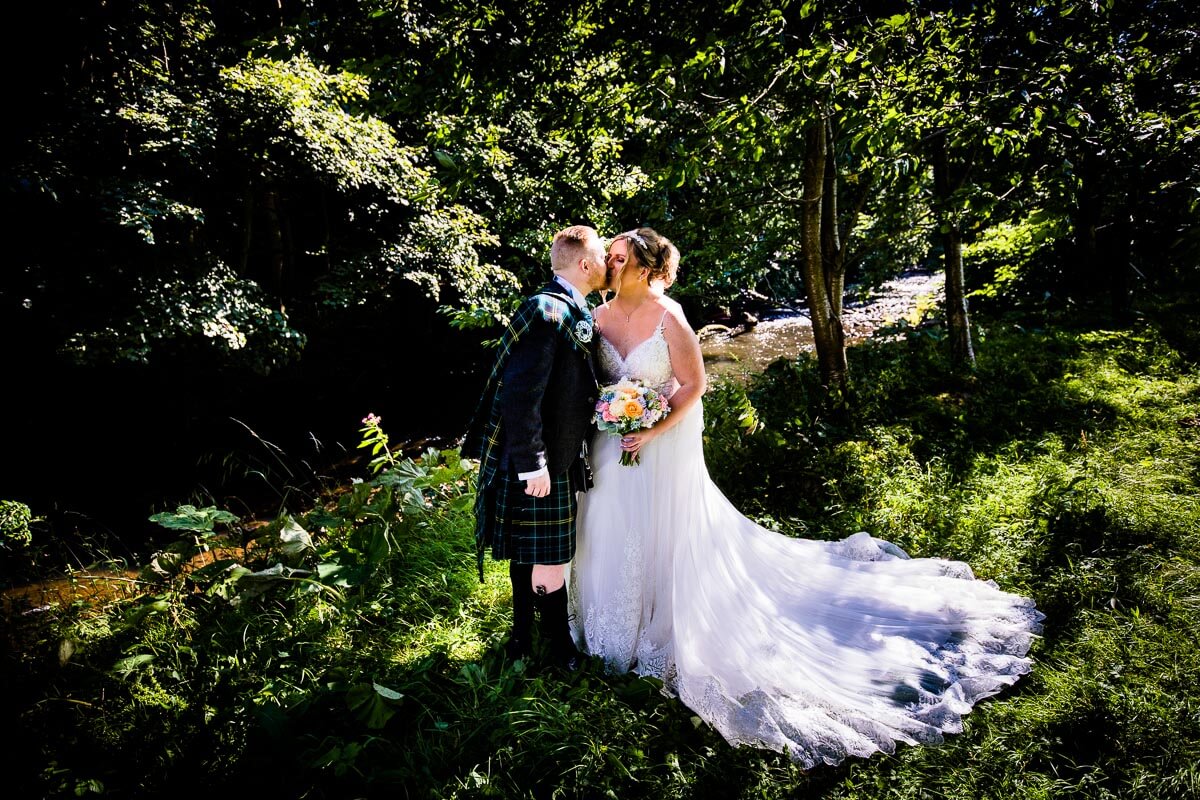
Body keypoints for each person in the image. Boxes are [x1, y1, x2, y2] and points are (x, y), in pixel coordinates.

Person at [568, 227, 1044, 767]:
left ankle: (661, 622)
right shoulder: (596, 317)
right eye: (609, 256)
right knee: (609, 526)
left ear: (645, 268)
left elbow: (694, 385)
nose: (610, 263)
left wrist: (652, 427)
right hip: (610, 446)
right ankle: (613, 630)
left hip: (660, 447)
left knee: (661, 530)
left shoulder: (669, 318)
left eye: (619, 257)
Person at [463, 224, 610, 670]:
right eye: (602, 255)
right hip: (541, 459)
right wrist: (533, 464)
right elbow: (520, 393)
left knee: (531, 552)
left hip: (555, 454)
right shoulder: (547, 309)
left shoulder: (570, 306)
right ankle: (560, 650)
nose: (606, 262)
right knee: (549, 556)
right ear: (585, 264)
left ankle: (522, 639)